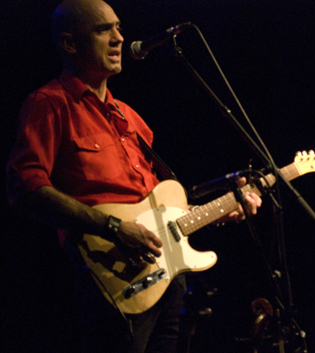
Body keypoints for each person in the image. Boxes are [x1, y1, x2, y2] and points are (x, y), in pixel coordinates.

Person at [5, 1, 262, 352]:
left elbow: (164, 208)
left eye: (119, 28)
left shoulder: (129, 118)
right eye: (102, 30)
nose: (119, 38)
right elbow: (26, 187)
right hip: (109, 277)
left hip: (165, 275)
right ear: (69, 44)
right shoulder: (49, 103)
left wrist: (223, 211)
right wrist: (114, 228)